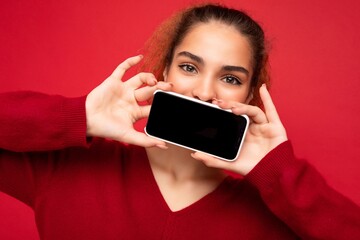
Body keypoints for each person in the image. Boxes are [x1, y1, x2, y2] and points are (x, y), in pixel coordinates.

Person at [0, 3, 359, 240]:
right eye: (189, 67)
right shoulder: (64, 168)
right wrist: (79, 115)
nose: (203, 91)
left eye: (230, 78)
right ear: (164, 71)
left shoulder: (275, 213)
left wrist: (279, 172)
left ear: (250, 97)